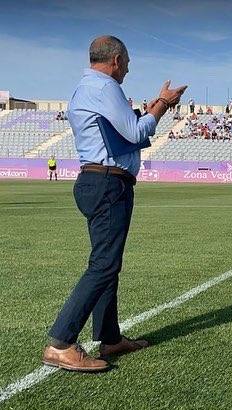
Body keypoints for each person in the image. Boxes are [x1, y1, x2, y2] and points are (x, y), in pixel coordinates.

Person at [44, 35, 186, 372]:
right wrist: (163, 105)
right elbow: (135, 134)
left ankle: (109, 337)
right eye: (128, 63)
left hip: (99, 180)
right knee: (104, 265)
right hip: (108, 183)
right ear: (117, 60)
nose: (128, 69)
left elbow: (122, 129)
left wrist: (154, 107)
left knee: (107, 262)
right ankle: (60, 343)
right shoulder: (105, 87)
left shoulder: (87, 87)